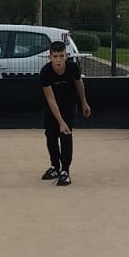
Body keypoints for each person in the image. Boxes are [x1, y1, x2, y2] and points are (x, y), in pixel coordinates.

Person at [40, 41, 90, 186]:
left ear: (66, 56)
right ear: (50, 57)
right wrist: (60, 121)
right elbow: (50, 98)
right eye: (55, 56)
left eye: (61, 56)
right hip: (52, 107)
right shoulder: (45, 72)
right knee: (51, 136)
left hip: (69, 105)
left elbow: (79, 83)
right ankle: (55, 166)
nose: (58, 60)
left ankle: (65, 171)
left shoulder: (73, 67)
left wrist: (84, 102)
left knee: (66, 135)